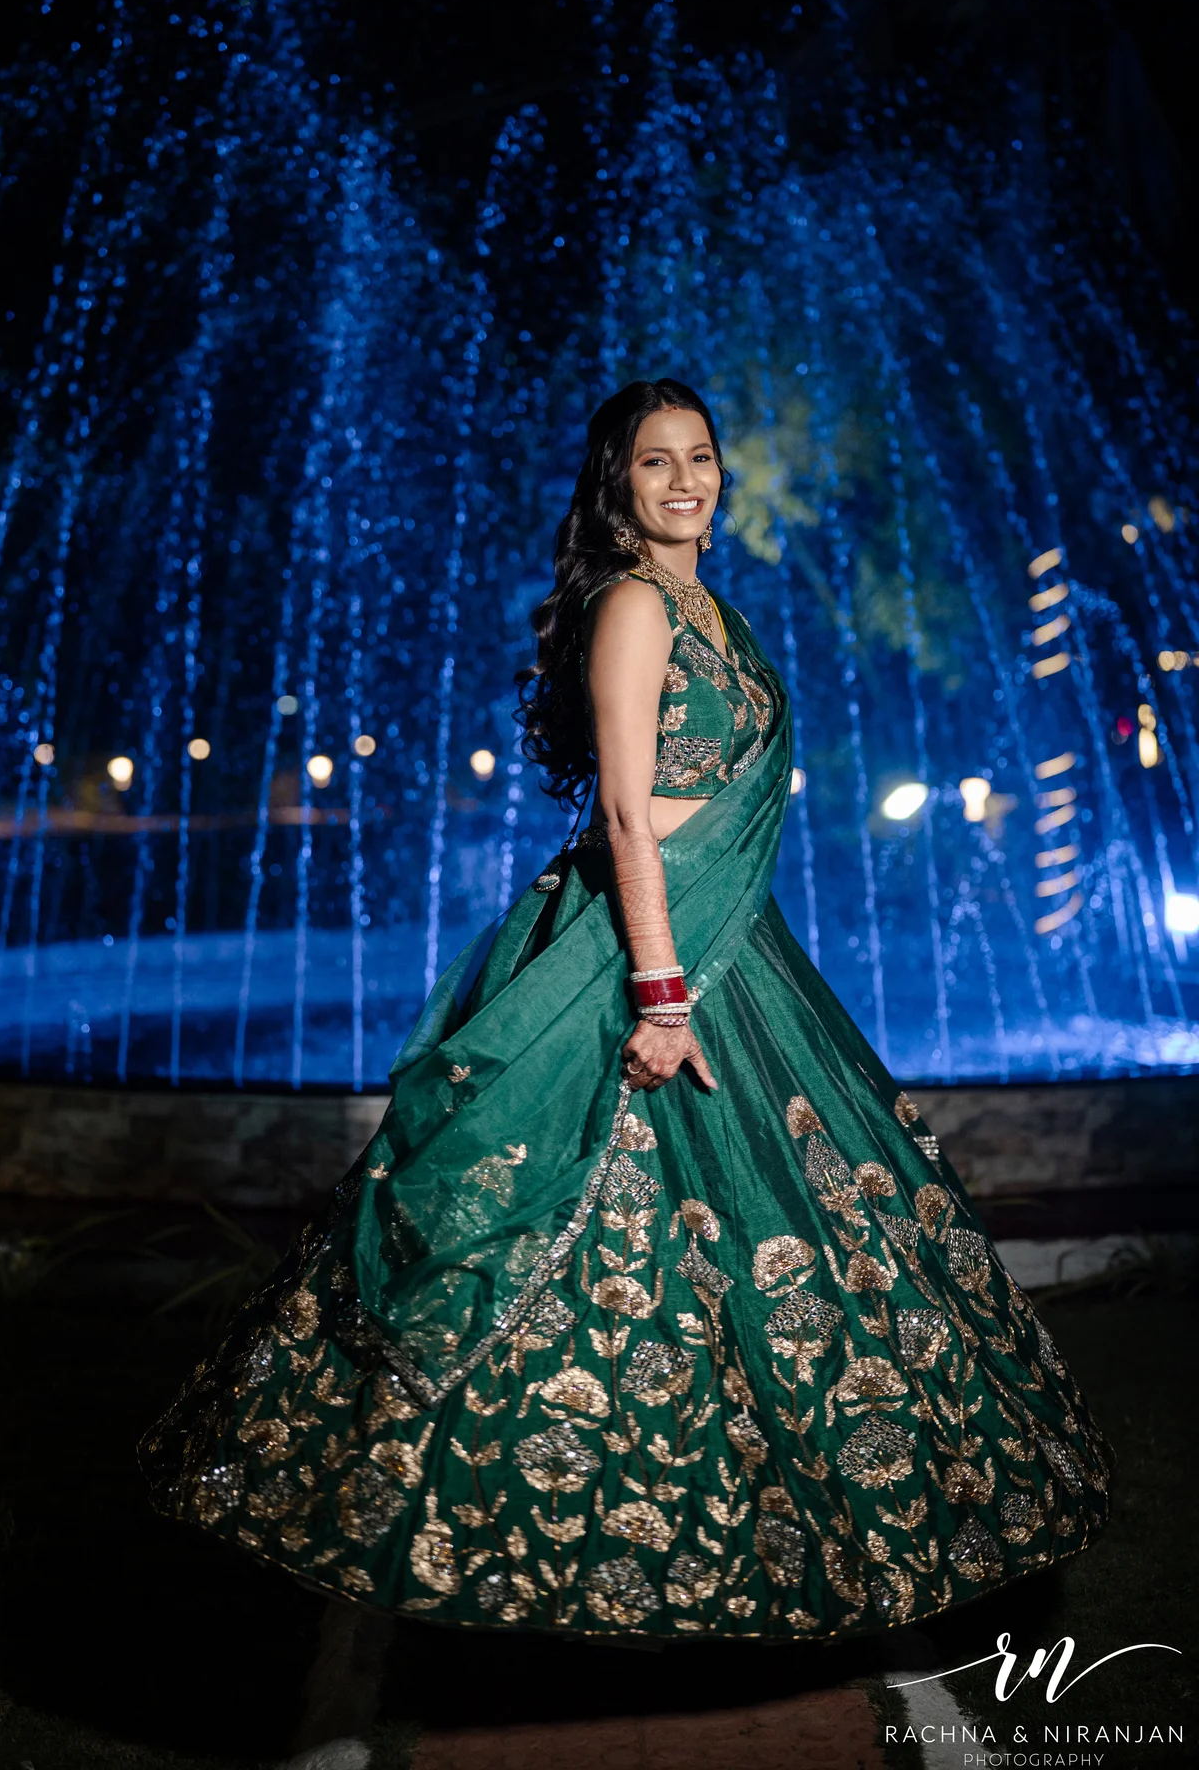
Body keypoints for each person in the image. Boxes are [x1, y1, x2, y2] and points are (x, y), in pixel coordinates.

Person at [141, 378, 1112, 1760]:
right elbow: (622, 810)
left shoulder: (717, 607)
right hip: (645, 973)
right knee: (554, 1247)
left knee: (799, 1246)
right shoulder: (634, 606)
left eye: (701, 458)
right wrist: (658, 995)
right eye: (656, 462)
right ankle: (394, 1611)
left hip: (743, 964)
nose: (685, 480)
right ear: (619, 482)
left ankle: (805, 1556)